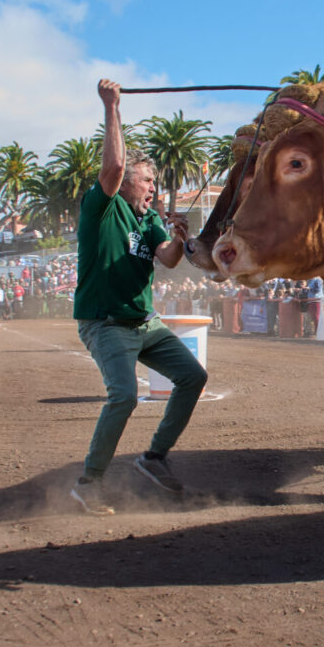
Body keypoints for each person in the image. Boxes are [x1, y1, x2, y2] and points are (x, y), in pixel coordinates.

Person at [69, 78, 207, 515]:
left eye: (153, 182)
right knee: (125, 396)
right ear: (126, 181)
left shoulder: (148, 221)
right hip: (104, 322)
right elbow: (110, 169)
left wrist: (179, 237)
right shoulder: (103, 206)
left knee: (193, 377)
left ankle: (153, 458)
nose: (152, 188)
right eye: (146, 180)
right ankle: (89, 483)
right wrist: (112, 107)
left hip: (143, 323)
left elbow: (166, 259)